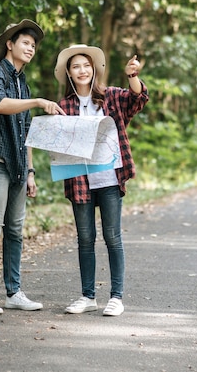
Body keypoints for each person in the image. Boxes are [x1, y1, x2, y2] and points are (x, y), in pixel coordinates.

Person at [0, 19, 66, 315]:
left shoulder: (23, 83)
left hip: (19, 167)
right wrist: (37, 101)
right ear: (10, 44)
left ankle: (13, 292)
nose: (31, 48)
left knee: (15, 230)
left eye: (34, 45)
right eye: (25, 42)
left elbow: (27, 133)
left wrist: (31, 171)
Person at [54, 44, 148, 316]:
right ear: (69, 74)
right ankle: (87, 296)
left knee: (112, 237)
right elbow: (58, 144)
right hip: (80, 180)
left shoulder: (112, 97)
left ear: (93, 69)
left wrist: (132, 76)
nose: (82, 70)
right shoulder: (64, 107)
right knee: (85, 238)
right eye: (76, 67)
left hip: (109, 178)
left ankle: (116, 297)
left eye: (86, 65)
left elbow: (137, 100)